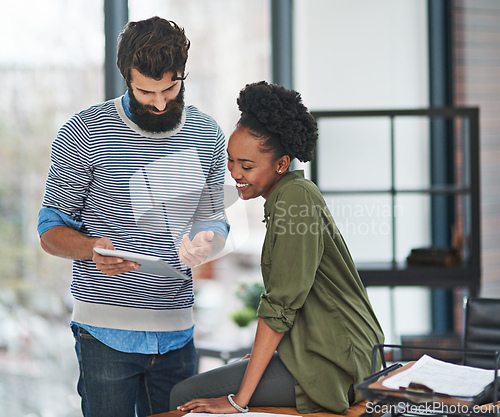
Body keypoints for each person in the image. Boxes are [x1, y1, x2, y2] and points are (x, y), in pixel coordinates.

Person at [37, 16, 229, 417]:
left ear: (182, 75)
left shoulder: (207, 134)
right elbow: (50, 230)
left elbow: (214, 221)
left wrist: (207, 243)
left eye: (171, 88)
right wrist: (91, 249)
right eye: (146, 91)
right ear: (126, 77)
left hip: (178, 332)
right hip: (105, 335)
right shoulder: (85, 133)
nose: (160, 103)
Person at [170, 81, 385, 414]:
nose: (235, 173)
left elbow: (282, 304)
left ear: (282, 164)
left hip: (335, 362)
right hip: (326, 348)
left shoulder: (294, 200)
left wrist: (237, 402)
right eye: (230, 161)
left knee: (185, 397)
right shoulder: (289, 196)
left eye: (247, 165)